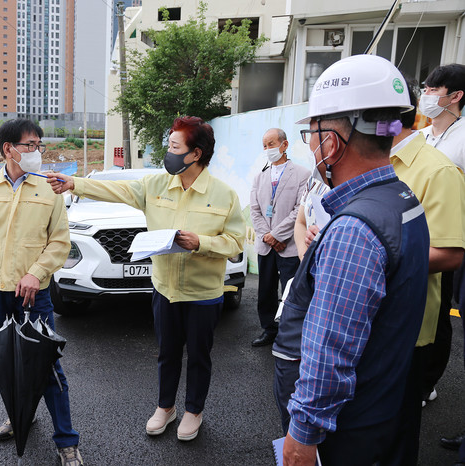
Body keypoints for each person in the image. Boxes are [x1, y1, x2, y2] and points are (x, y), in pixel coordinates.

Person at [271, 55, 430, 466]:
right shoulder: (401, 198)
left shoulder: (355, 229)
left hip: (344, 434)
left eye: (311, 134)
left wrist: (301, 437)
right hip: (381, 409)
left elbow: (331, 352)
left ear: (331, 142)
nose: (310, 145)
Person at [47, 116, 245, 442]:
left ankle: (194, 411)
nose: (169, 151)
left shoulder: (224, 195)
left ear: (196, 153)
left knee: (199, 356)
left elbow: (236, 242)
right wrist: (74, 184)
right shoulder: (155, 185)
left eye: (174, 146)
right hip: (165, 290)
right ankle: (166, 407)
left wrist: (202, 243)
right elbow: (117, 189)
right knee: (167, 353)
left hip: (203, 293)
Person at [0, 119, 83, 466]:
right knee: (7, 364)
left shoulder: (49, 189)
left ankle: (66, 441)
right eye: (30, 145)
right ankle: (20, 416)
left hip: (34, 295)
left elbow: (60, 242)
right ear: (8, 149)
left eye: (39, 145)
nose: (36, 151)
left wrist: (35, 273)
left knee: (47, 366)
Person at [385, 82, 465, 465]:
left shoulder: (439, 170)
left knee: (396, 435)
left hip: (405, 326)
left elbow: (448, 254)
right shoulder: (370, 163)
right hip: (362, 320)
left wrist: (371, 255)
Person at [419, 64, 465, 409]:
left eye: (434, 89)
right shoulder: (421, 136)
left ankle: (427, 381)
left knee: (440, 314)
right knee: (420, 309)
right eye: (425, 89)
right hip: (416, 234)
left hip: (448, 238)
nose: (426, 95)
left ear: (456, 95)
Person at [249, 128, 309, 347]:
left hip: (289, 244)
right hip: (266, 245)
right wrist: (267, 236)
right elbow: (255, 210)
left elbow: (299, 210)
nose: (268, 149)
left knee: (291, 290)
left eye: (271, 144)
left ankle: (289, 332)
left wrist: (276, 235)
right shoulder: (260, 177)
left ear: (284, 145)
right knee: (265, 290)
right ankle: (269, 329)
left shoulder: (302, 174)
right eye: (265, 146)